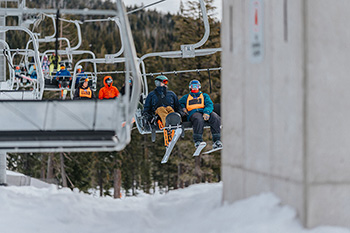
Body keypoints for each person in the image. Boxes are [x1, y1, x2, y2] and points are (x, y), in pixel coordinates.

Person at [179, 79, 222, 149]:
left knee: (215, 117)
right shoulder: (186, 97)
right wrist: (183, 108)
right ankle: (198, 140)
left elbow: (209, 104)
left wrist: (207, 112)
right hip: (193, 112)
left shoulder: (204, 96)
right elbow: (179, 104)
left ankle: (217, 140)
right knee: (198, 119)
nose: (195, 88)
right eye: (193, 86)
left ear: (199, 87)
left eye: (196, 86)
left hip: (204, 111)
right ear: (190, 87)